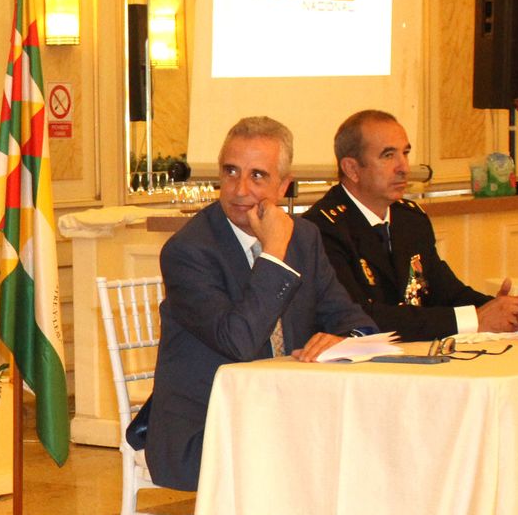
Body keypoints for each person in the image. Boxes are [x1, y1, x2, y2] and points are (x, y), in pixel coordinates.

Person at [130, 116, 376, 493]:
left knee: (369, 446)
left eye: (258, 176)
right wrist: (274, 253)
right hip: (206, 427)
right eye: (231, 172)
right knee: (313, 460)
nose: (240, 189)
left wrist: (345, 340)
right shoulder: (189, 251)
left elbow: (356, 322)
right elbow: (240, 340)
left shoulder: (305, 238)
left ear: (284, 185)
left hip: (286, 416)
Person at [304, 110, 518, 341]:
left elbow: (446, 292)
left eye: (405, 153)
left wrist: (501, 308)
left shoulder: (409, 219)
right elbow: (361, 317)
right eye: (388, 156)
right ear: (352, 169)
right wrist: (476, 318)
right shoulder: (322, 228)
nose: (403, 167)